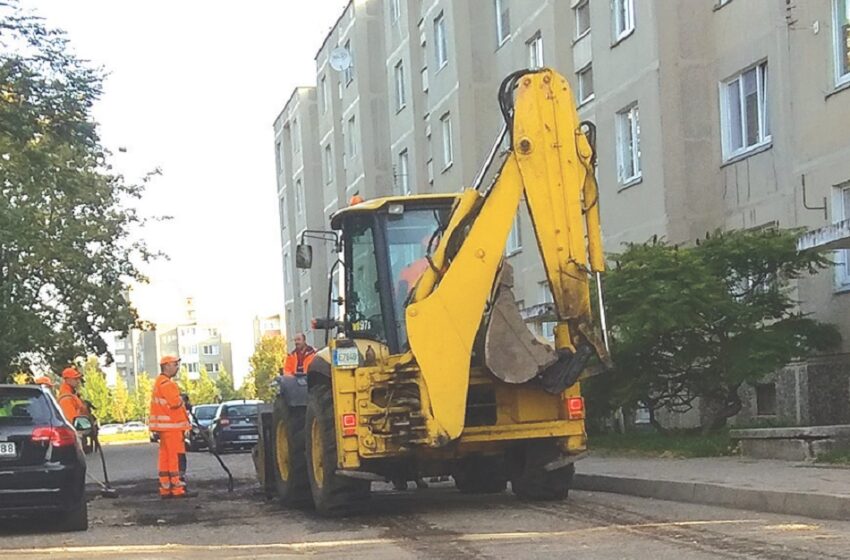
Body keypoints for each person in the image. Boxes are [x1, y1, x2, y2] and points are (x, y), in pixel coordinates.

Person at [149, 355, 194, 499]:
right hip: (172, 428)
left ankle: (166, 487)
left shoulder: (159, 383)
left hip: (165, 428)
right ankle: (177, 487)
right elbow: (174, 403)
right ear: (166, 366)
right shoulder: (168, 384)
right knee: (175, 457)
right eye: (175, 364)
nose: (177, 367)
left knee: (166, 457)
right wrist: (182, 399)